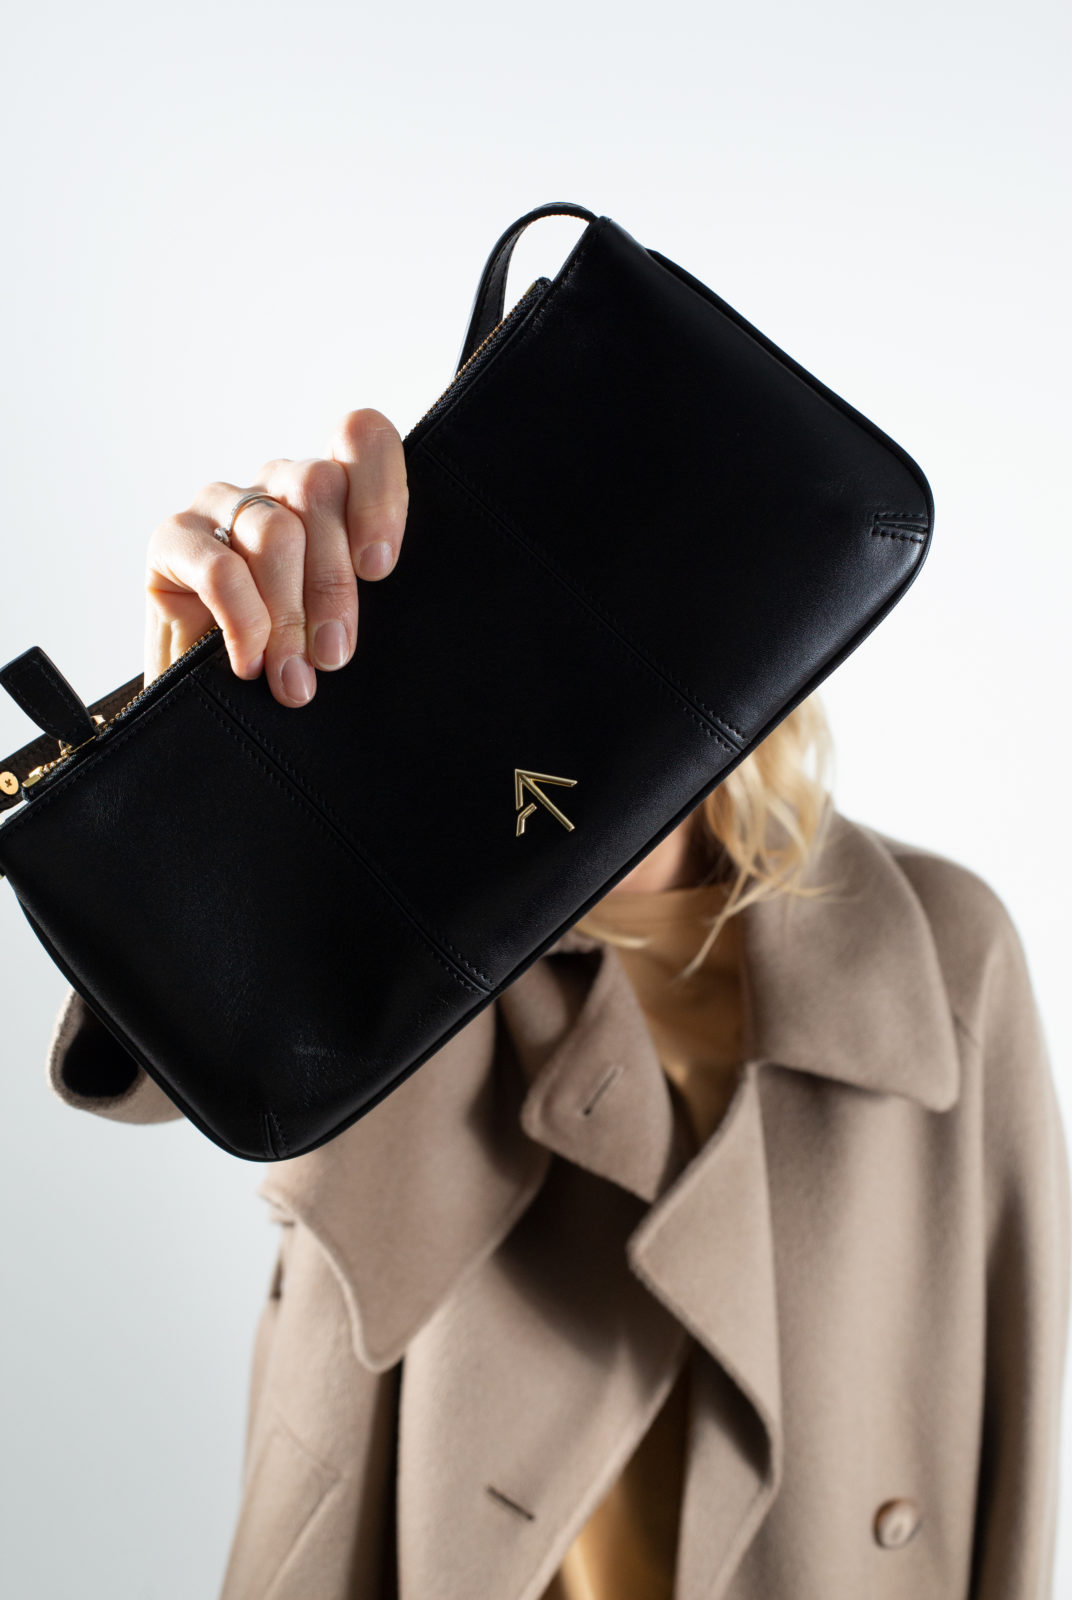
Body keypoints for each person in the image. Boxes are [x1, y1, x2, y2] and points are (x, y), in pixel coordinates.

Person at [45, 409, 1070, 1599]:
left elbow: (1017, 1406)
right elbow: (164, 1057)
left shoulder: (937, 949)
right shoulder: (385, 917)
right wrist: (205, 766)